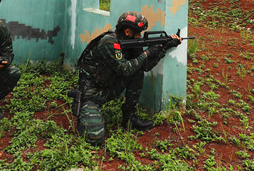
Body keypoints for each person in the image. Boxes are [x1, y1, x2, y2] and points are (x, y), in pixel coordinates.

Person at [74, 11, 181, 146]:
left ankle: (129, 119)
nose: (140, 36)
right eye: (138, 33)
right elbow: (125, 69)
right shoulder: (108, 41)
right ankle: (86, 111)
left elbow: (145, 66)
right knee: (94, 139)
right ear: (127, 31)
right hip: (91, 92)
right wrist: (147, 52)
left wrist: (164, 47)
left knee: (137, 73)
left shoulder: (129, 43)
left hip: (108, 87)